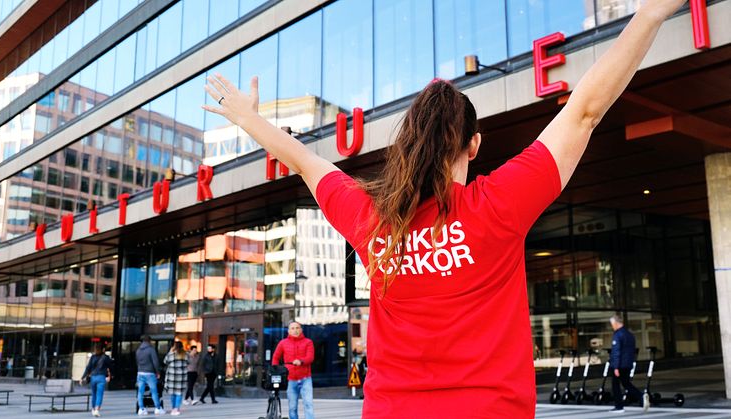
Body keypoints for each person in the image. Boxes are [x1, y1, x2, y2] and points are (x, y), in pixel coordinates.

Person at [201, 1, 686, 416]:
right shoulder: (499, 203)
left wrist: (247, 117)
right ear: (473, 145)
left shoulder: (372, 219)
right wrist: (650, 13)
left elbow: (305, 163)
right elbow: (583, 111)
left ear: (409, 142)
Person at [272, 322, 314, 419]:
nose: (295, 330)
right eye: (292, 328)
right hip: (290, 379)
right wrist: (276, 371)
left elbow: (310, 357)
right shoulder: (283, 343)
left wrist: (301, 361)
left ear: (301, 330)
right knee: (292, 407)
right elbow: (275, 357)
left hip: (305, 379)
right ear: (289, 331)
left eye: (297, 328)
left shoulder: (308, 342)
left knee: (308, 405)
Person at [609, 314, 649, 413]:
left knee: (615, 385)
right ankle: (641, 397)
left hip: (620, 365)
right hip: (628, 364)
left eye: (612, 324)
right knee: (626, 383)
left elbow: (616, 352)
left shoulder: (618, 335)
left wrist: (616, 367)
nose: (612, 326)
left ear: (616, 323)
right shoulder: (629, 334)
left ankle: (619, 406)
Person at [136, 335, 165, 415]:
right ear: (149, 341)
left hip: (140, 373)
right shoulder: (151, 349)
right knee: (154, 391)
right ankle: (158, 408)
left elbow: (137, 362)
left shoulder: (138, 350)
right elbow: (155, 362)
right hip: (150, 373)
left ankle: (141, 409)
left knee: (140, 392)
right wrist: (158, 372)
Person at [81, 344, 112, 417]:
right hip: (101, 377)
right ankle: (97, 409)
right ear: (103, 349)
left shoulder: (93, 357)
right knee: (99, 394)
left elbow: (88, 368)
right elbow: (110, 367)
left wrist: (82, 377)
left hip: (93, 377)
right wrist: (110, 376)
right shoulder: (106, 357)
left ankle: (93, 408)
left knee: (94, 394)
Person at [164, 341, 189, 416]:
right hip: (181, 377)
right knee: (179, 393)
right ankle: (177, 408)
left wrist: (170, 351)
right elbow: (189, 362)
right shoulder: (185, 354)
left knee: (173, 394)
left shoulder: (171, 354)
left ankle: (173, 408)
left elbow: (165, 361)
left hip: (172, 377)